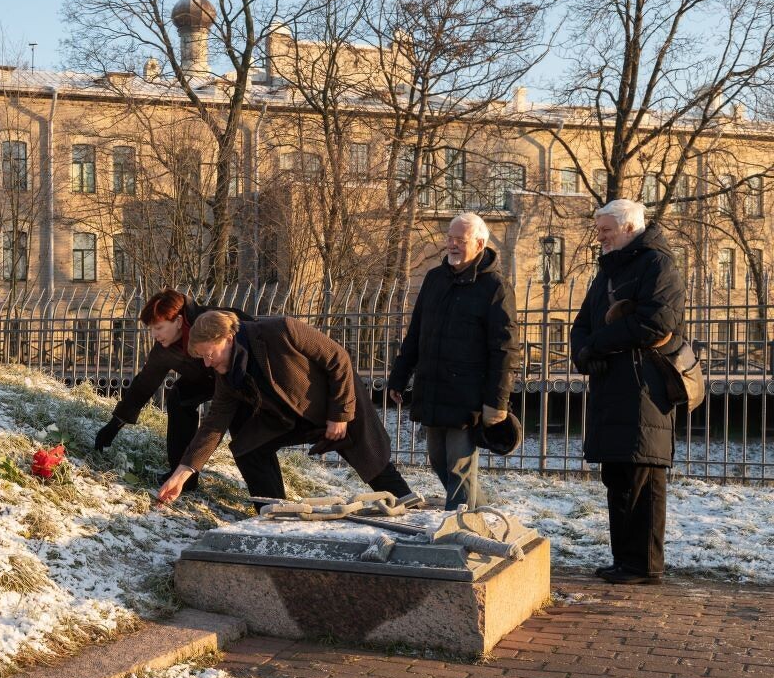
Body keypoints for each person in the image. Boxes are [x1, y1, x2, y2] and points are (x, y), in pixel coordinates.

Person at [156, 310, 419, 507]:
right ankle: (273, 512)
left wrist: (339, 415)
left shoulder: (281, 329)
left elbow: (338, 358)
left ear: (227, 337)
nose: (206, 363)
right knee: (249, 448)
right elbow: (214, 425)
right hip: (288, 418)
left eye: (208, 354)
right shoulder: (228, 375)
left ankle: (410, 506)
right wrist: (184, 471)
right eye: (201, 357)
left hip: (335, 404)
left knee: (373, 462)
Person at [571, 199, 684, 585]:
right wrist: (587, 354)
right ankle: (625, 560)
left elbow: (657, 322)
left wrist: (599, 344)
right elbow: (581, 325)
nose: (599, 236)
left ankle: (644, 565)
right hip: (612, 387)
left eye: (605, 230)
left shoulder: (657, 265)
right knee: (617, 475)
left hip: (644, 389)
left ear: (630, 228)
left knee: (643, 476)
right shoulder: (606, 272)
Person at [387, 212, 521, 510]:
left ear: (479, 243)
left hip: (468, 395)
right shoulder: (435, 278)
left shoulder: (495, 287)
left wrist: (497, 401)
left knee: (459, 466)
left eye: (460, 240)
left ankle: (458, 531)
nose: (453, 245)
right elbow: (417, 332)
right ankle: (481, 513)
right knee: (438, 459)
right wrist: (399, 375)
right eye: (450, 238)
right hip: (433, 387)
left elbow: (506, 349)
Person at [93, 289, 251, 492]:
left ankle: (263, 497)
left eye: (158, 327)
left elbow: (253, 341)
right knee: (179, 397)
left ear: (177, 321)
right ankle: (181, 477)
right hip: (206, 381)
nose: (154, 335)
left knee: (246, 435)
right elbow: (144, 384)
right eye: (151, 329)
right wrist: (115, 424)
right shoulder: (164, 350)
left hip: (239, 381)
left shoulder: (212, 321)